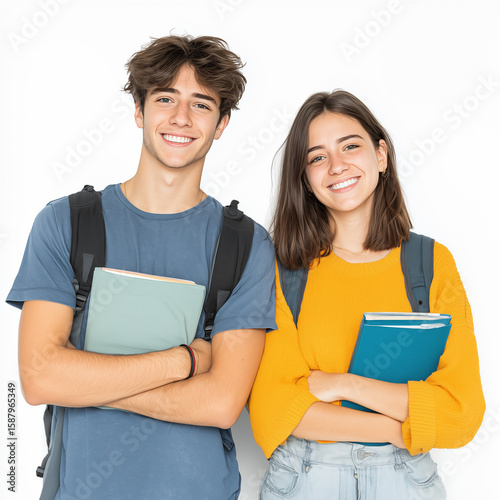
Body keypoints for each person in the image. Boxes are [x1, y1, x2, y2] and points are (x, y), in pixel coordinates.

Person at [7, 35, 276, 500]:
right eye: (165, 98)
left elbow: (220, 403)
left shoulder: (246, 243)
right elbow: (39, 378)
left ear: (222, 124)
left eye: (201, 105)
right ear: (139, 111)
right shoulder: (67, 223)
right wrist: (185, 361)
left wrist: (86, 383)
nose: (181, 118)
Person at [248, 90, 485, 499]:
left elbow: (462, 414)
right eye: (317, 157)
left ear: (381, 155)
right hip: (304, 478)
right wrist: (407, 424)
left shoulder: (429, 263)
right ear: (304, 179)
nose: (337, 166)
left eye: (350, 146)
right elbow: (274, 409)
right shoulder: (280, 268)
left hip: (406, 481)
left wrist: (342, 385)